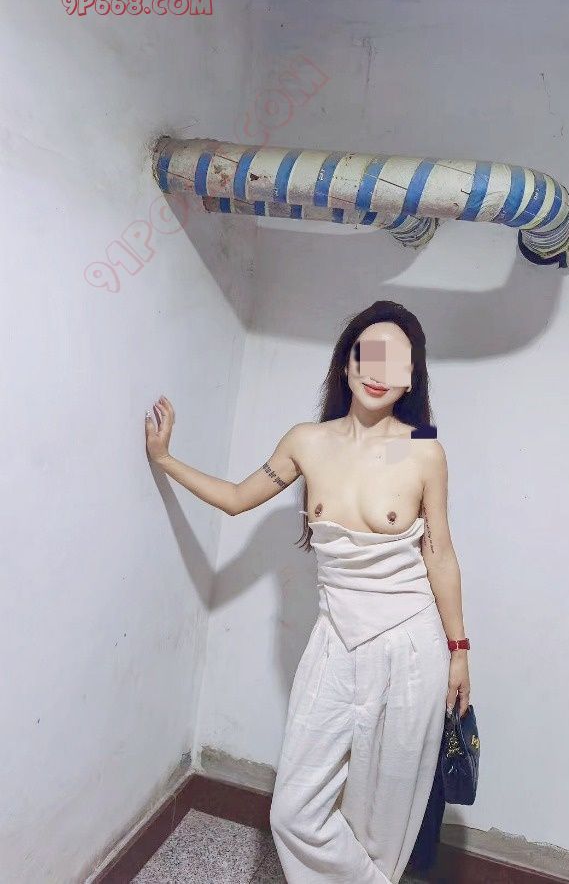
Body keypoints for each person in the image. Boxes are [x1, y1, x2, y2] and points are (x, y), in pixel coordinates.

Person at [145, 299, 471, 883]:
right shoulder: (307, 441)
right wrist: (165, 459)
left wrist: (459, 650)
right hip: (335, 639)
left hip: (410, 646)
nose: (379, 370)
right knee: (295, 811)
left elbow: (439, 553)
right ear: (346, 363)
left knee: (381, 818)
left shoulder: (423, 449)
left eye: (396, 361)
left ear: (410, 378)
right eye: (368, 354)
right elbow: (237, 498)